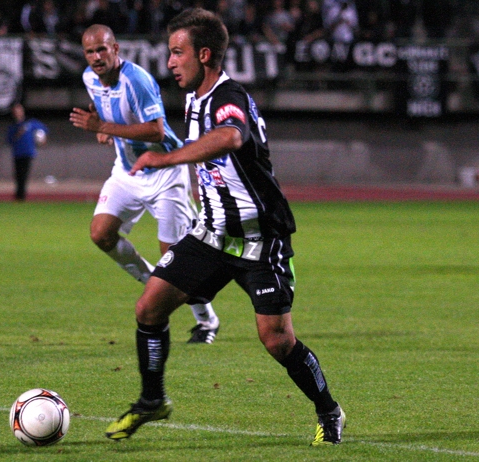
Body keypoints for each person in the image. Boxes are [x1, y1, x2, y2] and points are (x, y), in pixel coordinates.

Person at [104, 8, 345, 446]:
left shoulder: (227, 95)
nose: (171, 62)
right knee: (149, 308)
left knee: (276, 341)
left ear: (205, 54)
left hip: (259, 240)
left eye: (178, 53)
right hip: (212, 234)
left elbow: (231, 135)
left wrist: (166, 158)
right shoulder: (195, 98)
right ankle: (152, 400)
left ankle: (329, 410)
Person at [70, 23, 221, 344]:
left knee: (175, 260)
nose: (96, 57)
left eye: (102, 49)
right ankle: (153, 280)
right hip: (127, 171)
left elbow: (156, 129)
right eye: (90, 51)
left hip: (165, 173)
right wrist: (101, 125)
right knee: (101, 233)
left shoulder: (137, 81)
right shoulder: (88, 78)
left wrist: (106, 126)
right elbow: (101, 104)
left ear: (116, 50)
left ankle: (206, 320)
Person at [7, 103, 48, 201]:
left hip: (28, 152)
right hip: (17, 153)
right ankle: (19, 195)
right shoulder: (13, 126)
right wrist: (18, 133)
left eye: (19, 110)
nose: (17, 113)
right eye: (15, 111)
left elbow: (43, 130)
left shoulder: (31, 123)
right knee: (18, 175)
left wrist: (43, 139)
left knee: (23, 175)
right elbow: (9, 140)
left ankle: (21, 196)